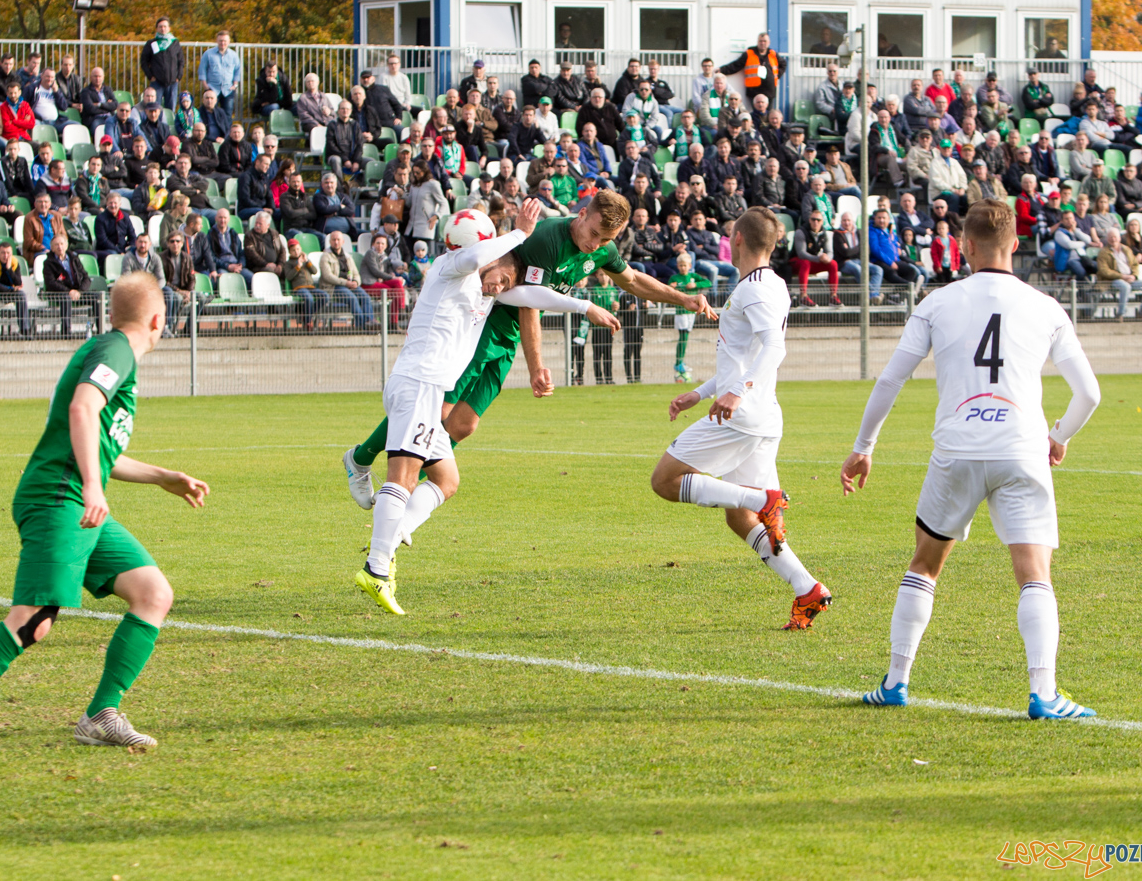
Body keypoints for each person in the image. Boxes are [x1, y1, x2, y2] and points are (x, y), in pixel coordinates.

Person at [0, 273, 207, 752]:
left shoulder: (111, 350)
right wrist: (91, 485)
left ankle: (101, 714)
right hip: (58, 497)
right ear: (157, 319)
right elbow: (83, 411)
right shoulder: (118, 353)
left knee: (152, 593)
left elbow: (101, 445)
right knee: (33, 618)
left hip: (73, 497)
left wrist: (161, 476)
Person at [844, 200, 1102, 719]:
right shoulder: (1046, 306)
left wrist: (864, 447)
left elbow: (891, 379)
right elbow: (1089, 394)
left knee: (925, 564)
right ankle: (1044, 694)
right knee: (1033, 574)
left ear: (964, 246)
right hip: (1021, 449)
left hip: (957, 451)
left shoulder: (938, 302)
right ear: (1015, 245)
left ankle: (896, 682)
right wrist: (1058, 435)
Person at [342, 193, 715, 503]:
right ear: (582, 214)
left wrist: (682, 298)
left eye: (605, 240)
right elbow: (529, 302)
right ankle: (367, 463)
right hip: (488, 324)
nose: (597, 245)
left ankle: (415, 493)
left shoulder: (601, 248)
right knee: (436, 409)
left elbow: (632, 280)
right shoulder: (549, 239)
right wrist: (537, 366)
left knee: (464, 425)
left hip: (507, 339)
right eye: (594, 234)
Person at [354, 202, 616, 614]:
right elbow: (479, 257)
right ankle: (377, 569)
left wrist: (585, 307)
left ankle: (392, 534)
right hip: (420, 383)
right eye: (493, 252)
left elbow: (532, 293)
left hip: (425, 385)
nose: (498, 279)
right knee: (402, 476)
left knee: (445, 479)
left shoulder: (480, 286)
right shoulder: (449, 265)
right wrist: (520, 232)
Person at [650, 208, 831, 631]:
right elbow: (745, 355)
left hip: (742, 414)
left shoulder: (756, 290)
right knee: (737, 516)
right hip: (759, 414)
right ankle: (807, 588)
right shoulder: (765, 284)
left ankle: (764, 499)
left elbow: (774, 348)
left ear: (738, 240)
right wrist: (701, 392)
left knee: (664, 481)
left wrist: (735, 392)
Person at [667, 251, 711, 383]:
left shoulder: (693, 277)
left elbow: (708, 282)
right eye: (680, 265)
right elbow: (668, 290)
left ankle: (681, 361)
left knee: (686, 334)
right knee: (683, 335)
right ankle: (679, 361)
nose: (682, 268)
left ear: (690, 265)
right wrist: (671, 287)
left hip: (691, 313)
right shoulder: (674, 278)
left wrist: (696, 285)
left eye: (684, 265)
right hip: (681, 311)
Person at [1095, 227, 1142, 320]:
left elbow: (1134, 264)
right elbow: (1104, 271)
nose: (1113, 239)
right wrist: (1122, 276)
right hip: (1113, 280)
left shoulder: (1126, 249)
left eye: (1115, 237)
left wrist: (1134, 276)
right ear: (1107, 238)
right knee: (1125, 287)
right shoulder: (1103, 252)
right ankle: (1120, 314)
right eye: (1110, 237)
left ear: (1119, 238)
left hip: (1130, 278)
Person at [718, 32, 784, 108]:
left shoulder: (773, 54)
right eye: (760, 41)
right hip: (754, 90)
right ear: (757, 42)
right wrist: (722, 70)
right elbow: (737, 65)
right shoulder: (749, 53)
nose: (762, 43)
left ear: (769, 43)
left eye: (764, 41)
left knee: (768, 114)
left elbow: (783, 64)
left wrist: (775, 76)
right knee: (755, 114)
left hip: (769, 90)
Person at [140, 17, 184, 109]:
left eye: (165, 26)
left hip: (172, 82)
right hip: (157, 82)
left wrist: (178, 77)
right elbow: (144, 61)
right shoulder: (151, 43)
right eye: (160, 27)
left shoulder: (175, 43)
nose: (163, 29)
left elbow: (181, 61)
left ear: (169, 28)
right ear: (157, 28)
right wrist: (150, 76)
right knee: (154, 108)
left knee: (171, 109)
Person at [198, 30, 243, 118]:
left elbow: (238, 70)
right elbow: (202, 70)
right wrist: (205, 86)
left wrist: (235, 84)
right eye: (220, 40)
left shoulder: (234, 55)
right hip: (212, 89)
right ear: (217, 41)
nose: (222, 43)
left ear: (229, 42)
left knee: (227, 115)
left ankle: (226, 132)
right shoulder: (208, 54)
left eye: (225, 41)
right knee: (210, 113)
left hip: (228, 90)